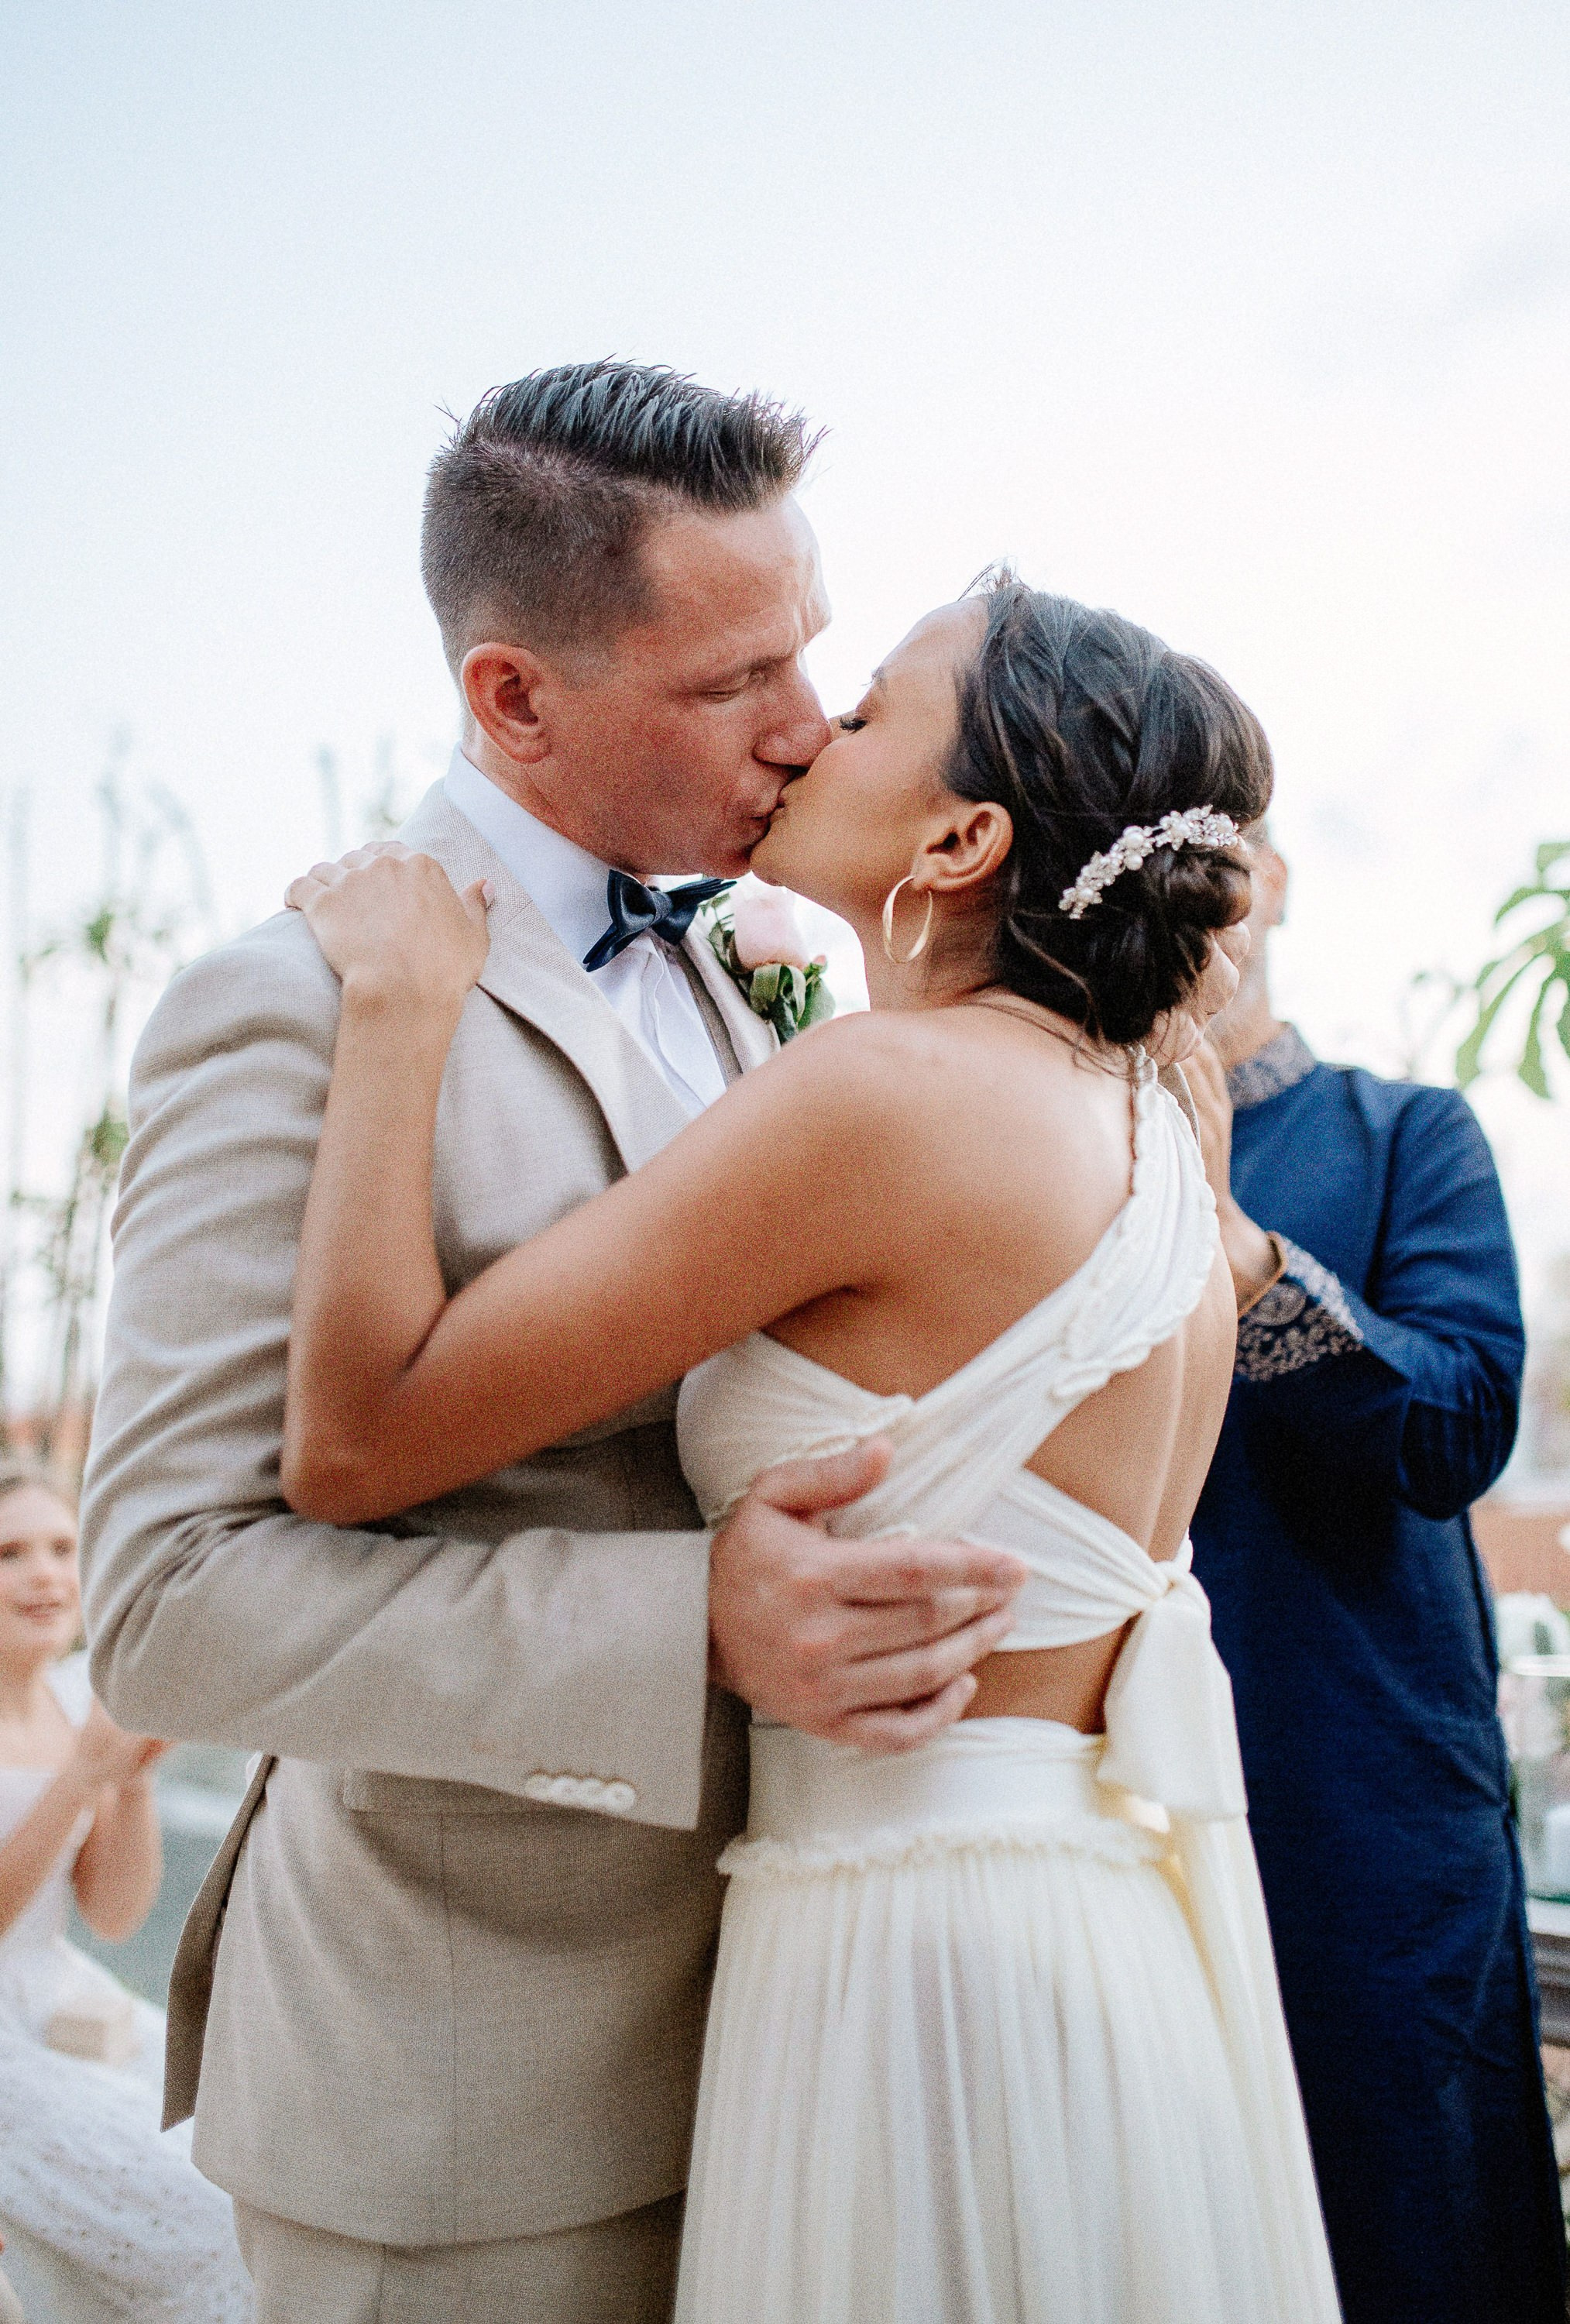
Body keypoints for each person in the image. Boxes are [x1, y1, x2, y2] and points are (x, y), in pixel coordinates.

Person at [79, 364, 1030, 2324]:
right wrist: (689, 1622)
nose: (805, 729)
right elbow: (169, 1605)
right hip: (464, 2113)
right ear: (513, 697)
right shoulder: (285, 1011)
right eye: (728, 683)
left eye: (814, 656)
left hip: (797, 2031)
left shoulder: (770, 967)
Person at [278, 576, 1344, 2324]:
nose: (804, 731)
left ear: (960, 837)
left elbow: (358, 1438)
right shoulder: (1157, 1124)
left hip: (907, 1958)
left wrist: (397, 1015)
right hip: (1102, 1935)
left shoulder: (878, 1098)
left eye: (863, 714)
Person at [1185, 825, 1565, 2324]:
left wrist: (1251, 1266)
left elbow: (1458, 1425)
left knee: (1416, 2229)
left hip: (1372, 1814)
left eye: (1214, 846)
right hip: (1119, 1803)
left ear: (1272, 876)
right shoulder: (1042, 1158)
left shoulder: (1410, 1135)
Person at [0, 1456, 252, 2322]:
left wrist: (132, 1777)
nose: (44, 1574)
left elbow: (111, 1916)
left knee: (250, 2153)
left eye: (62, 1547)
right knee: (208, 2219)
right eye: (9, 1553)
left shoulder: (75, 1698)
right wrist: (80, 1777)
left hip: (62, 1996)